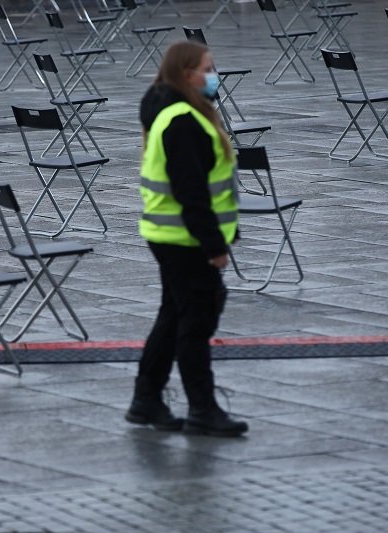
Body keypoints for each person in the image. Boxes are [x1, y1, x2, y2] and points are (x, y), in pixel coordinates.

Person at [125, 41, 248, 438]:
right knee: (195, 323)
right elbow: (192, 192)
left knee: (174, 316)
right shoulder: (184, 121)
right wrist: (214, 247)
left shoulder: (170, 112)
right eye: (207, 69)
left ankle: (146, 400)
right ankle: (202, 409)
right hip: (185, 240)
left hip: (169, 235)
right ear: (186, 74)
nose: (214, 76)